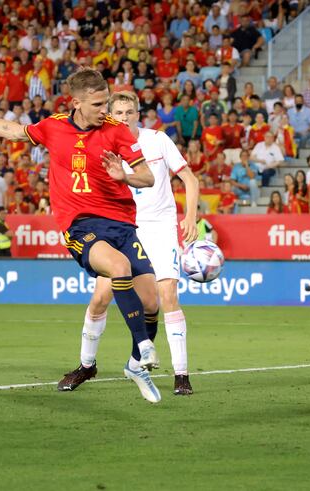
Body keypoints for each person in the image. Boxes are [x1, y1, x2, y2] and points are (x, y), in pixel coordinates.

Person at [0, 69, 163, 398]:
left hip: (121, 223)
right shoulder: (54, 126)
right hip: (80, 223)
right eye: (97, 104)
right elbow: (12, 131)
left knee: (151, 301)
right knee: (119, 268)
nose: (104, 109)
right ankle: (143, 346)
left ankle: (133, 365)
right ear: (76, 103)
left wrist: (123, 176)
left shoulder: (117, 132)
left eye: (106, 102)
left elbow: (148, 178)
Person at [60, 91, 200, 399]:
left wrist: (190, 216)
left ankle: (181, 374)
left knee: (166, 296)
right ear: (111, 114)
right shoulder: (100, 141)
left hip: (159, 225)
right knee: (100, 298)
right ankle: (86, 365)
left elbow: (189, 178)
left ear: (138, 114)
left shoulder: (159, 141)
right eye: (119, 112)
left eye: (130, 112)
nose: (124, 117)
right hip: (121, 228)